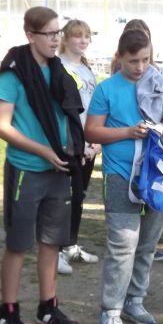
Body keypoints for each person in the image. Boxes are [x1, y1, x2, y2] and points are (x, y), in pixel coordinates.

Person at [85, 29, 163, 324]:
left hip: (157, 174)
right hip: (119, 174)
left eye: (145, 59)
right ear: (120, 58)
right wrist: (128, 132)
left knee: (148, 243)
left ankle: (135, 301)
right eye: (133, 61)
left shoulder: (157, 82)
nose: (140, 67)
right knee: (122, 245)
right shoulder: (106, 89)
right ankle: (110, 313)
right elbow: (92, 132)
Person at [0, 6, 84, 324]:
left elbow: (68, 117)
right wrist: (43, 150)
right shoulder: (13, 75)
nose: (56, 39)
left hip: (58, 168)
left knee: (52, 242)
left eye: (58, 32)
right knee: (18, 244)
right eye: (49, 34)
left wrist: (75, 146)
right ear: (31, 35)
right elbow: (1, 126)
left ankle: (48, 306)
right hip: (27, 169)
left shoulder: (59, 72)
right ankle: (8, 310)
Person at [57, 18, 100, 274]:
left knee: (79, 196)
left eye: (86, 36)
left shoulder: (86, 69)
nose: (83, 40)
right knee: (63, 198)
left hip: (88, 143)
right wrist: (75, 143)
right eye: (77, 36)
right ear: (65, 38)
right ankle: (57, 250)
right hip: (69, 144)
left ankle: (71, 244)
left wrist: (95, 142)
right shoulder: (58, 67)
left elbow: (94, 108)